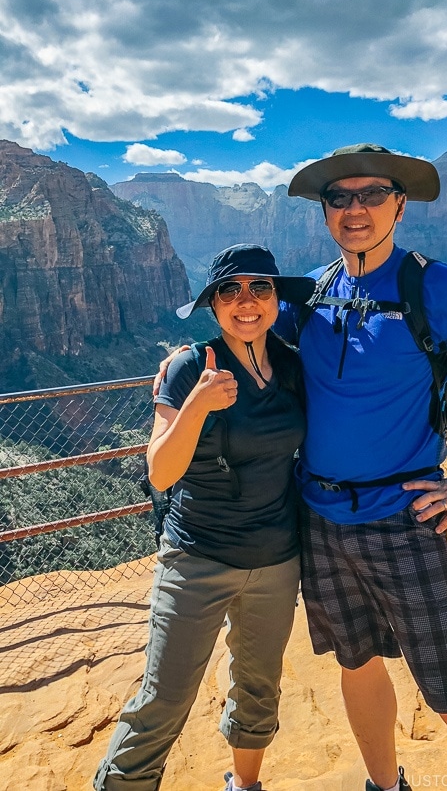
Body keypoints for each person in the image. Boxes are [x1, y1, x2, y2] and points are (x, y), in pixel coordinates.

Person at [156, 145, 447, 791]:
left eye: (371, 195)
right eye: (340, 197)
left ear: (399, 204)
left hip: (405, 521)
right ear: (325, 212)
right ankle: (384, 786)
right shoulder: (310, 295)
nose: (355, 208)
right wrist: (178, 369)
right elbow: (241, 324)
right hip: (322, 524)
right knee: (356, 664)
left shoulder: (434, 286)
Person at [94, 244, 315, 791]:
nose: (246, 302)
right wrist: (196, 404)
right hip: (196, 558)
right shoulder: (192, 366)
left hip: (277, 560)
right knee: (163, 698)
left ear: (275, 299)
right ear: (212, 304)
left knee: (259, 688)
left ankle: (244, 785)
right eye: (230, 291)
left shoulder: (290, 364)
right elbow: (161, 472)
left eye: (259, 288)